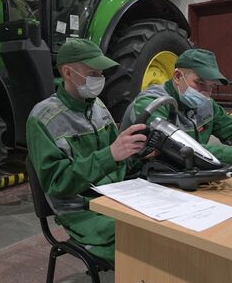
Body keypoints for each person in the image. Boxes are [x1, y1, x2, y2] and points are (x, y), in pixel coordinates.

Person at [26, 39, 147, 264]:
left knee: (169, 231)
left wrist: (139, 154)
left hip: (116, 198)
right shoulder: (42, 119)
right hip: (82, 212)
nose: (99, 79)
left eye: (101, 73)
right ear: (67, 72)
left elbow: (119, 161)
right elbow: (57, 183)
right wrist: (109, 155)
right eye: (93, 73)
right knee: (150, 248)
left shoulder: (98, 107)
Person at [121, 48, 232, 166]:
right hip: (143, 180)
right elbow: (172, 148)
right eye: (199, 83)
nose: (205, 92)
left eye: (211, 87)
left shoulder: (206, 105)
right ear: (178, 76)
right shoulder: (152, 103)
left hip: (185, 173)